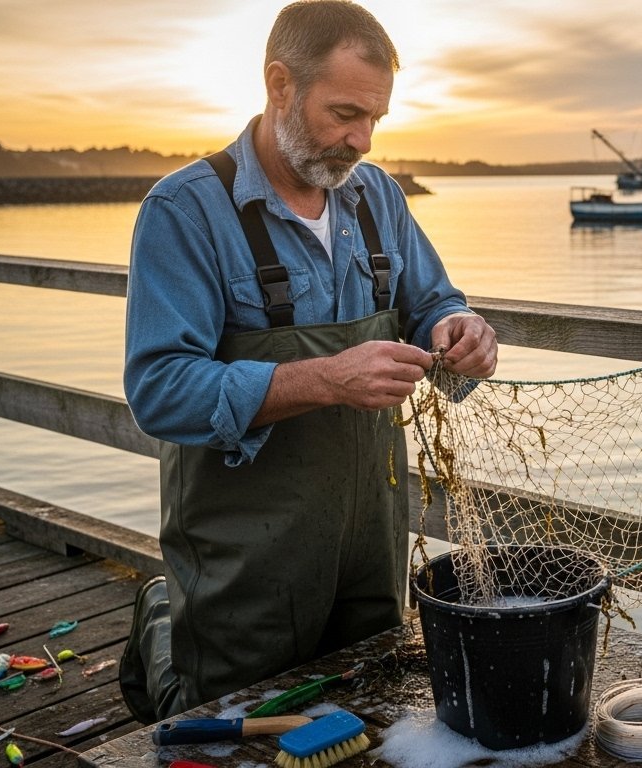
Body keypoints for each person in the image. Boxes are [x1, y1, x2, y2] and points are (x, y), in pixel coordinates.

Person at [119, 0, 497, 723]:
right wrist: (326, 378)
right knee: (224, 719)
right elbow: (159, 390)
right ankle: (163, 623)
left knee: (368, 706)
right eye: (344, 113)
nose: (361, 139)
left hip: (370, 538)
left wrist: (461, 329)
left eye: (375, 118)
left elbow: (434, 302)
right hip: (243, 553)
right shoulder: (183, 211)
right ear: (280, 85)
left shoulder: (379, 196)